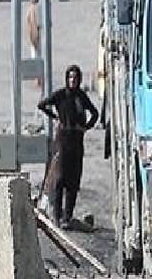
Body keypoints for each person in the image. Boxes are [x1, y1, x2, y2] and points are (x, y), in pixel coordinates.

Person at [37, 65, 99, 230]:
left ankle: (67, 217)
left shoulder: (81, 96)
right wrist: (56, 117)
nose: (73, 81)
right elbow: (42, 105)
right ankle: (57, 216)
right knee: (59, 180)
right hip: (63, 141)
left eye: (76, 78)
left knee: (73, 181)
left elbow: (95, 113)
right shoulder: (60, 95)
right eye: (71, 77)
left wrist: (85, 127)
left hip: (77, 141)